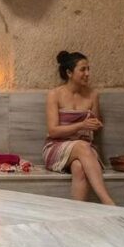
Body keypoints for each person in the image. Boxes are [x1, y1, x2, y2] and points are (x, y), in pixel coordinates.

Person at [43, 51, 114, 205]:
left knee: (79, 167)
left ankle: (78, 216)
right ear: (69, 72)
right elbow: (53, 131)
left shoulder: (93, 95)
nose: (87, 73)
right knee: (82, 146)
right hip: (56, 147)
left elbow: (95, 126)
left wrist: (95, 124)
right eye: (82, 69)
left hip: (85, 149)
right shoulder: (54, 95)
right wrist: (81, 125)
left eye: (88, 69)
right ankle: (108, 202)